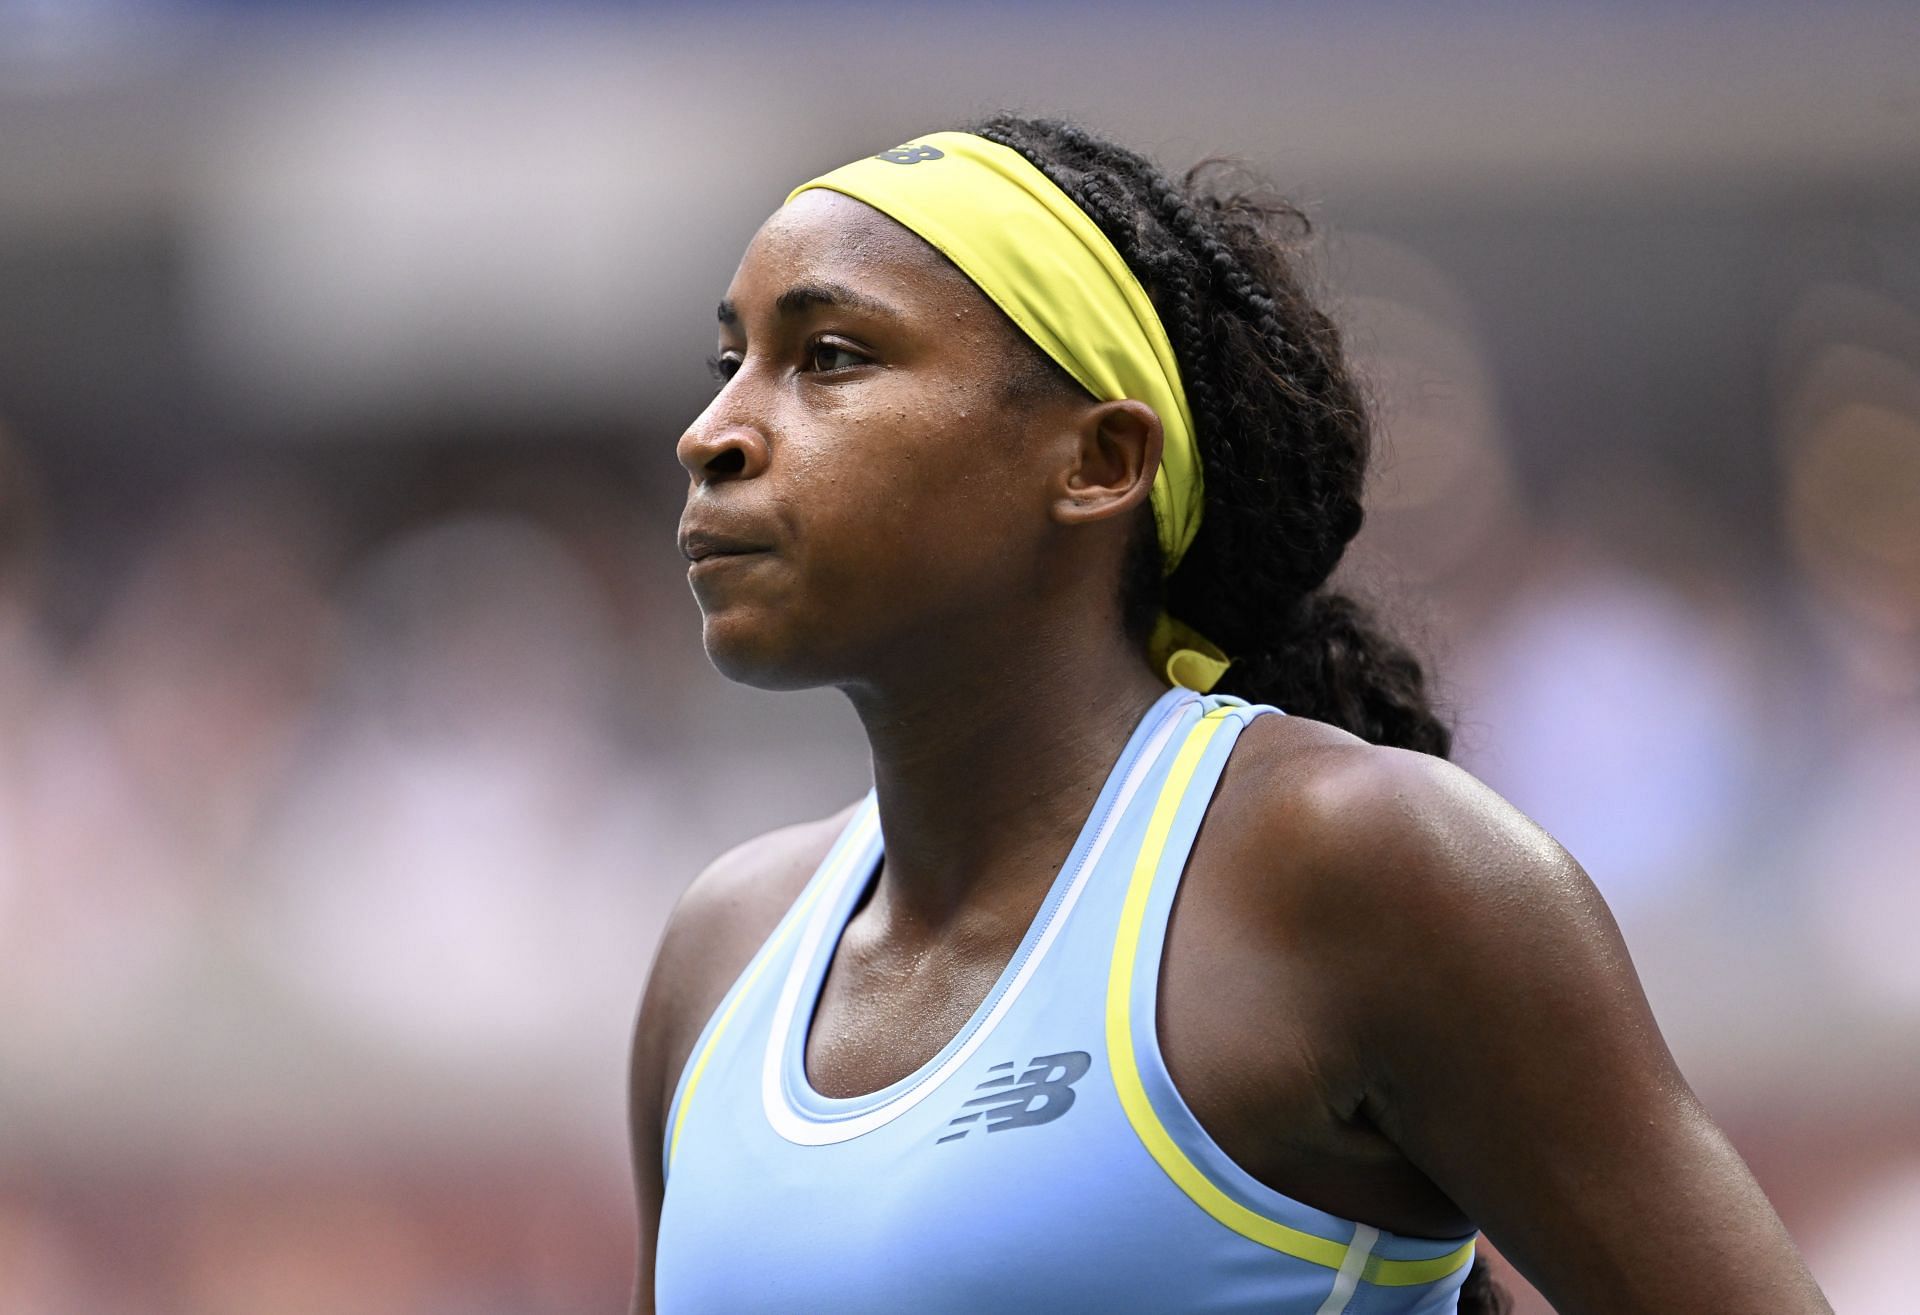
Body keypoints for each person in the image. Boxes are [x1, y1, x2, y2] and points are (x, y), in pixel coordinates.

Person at [626, 116, 1832, 1314]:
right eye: (725, 363)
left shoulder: (1365, 865)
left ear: (1098, 459)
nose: (714, 432)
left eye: (830, 355)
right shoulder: (723, 950)